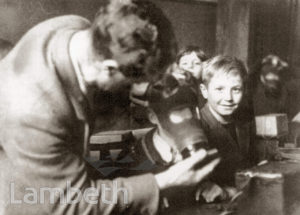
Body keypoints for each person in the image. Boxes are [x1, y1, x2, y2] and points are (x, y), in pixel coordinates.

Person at [0, 0, 220, 214]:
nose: (137, 89)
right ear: (108, 68)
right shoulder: (34, 112)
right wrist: (163, 181)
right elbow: (70, 204)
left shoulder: (77, 30)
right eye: (133, 82)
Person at [197, 55, 257, 203]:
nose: (228, 98)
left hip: (242, 200)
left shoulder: (243, 121)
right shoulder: (196, 126)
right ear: (204, 91)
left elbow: (248, 164)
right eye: (219, 89)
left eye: (236, 89)